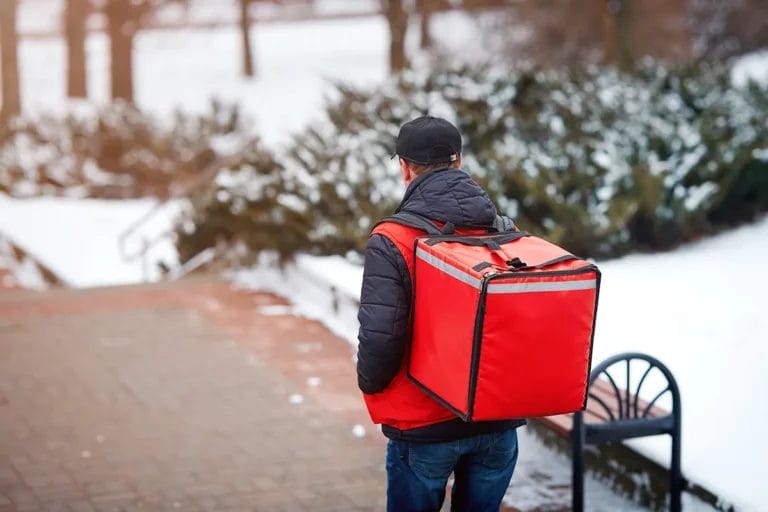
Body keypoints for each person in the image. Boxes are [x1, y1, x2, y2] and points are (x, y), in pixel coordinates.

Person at [356, 116, 525, 512]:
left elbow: (381, 338)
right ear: (459, 161)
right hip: (496, 421)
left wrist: (371, 385)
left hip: (422, 428)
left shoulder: (392, 239)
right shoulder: (503, 230)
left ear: (405, 167)